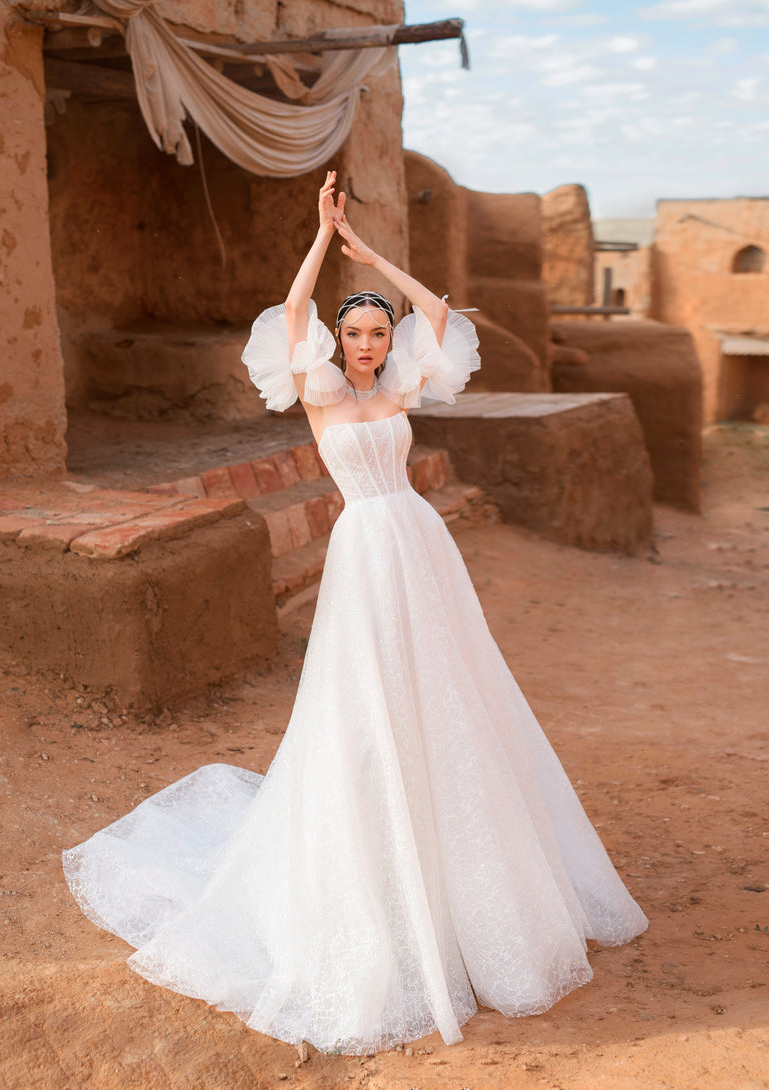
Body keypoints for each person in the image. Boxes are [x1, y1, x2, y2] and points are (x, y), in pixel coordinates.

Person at [63, 171, 647, 1057]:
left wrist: (375, 258)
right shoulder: (322, 392)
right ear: (339, 342)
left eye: (378, 333)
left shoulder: (400, 388)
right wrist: (320, 239)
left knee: (450, 690)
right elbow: (292, 315)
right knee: (369, 701)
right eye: (358, 333)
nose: (370, 344)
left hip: (418, 544)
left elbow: (444, 324)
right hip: (366, 550)